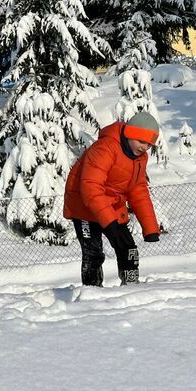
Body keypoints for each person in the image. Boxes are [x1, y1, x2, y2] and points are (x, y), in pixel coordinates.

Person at [63, 111, 161, 286]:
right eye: (141, 141)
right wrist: (110, 223)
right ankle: (92, 292)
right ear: (131, 134)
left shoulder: (139, 158)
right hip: (84, 207)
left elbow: (138, 190)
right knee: (94, 254)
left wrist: (150, 227)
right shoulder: (105, 148)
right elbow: (90, 187)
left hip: (111, 206)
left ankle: (130, 286)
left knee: (129, 249)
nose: (145, 148)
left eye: (149, 144)